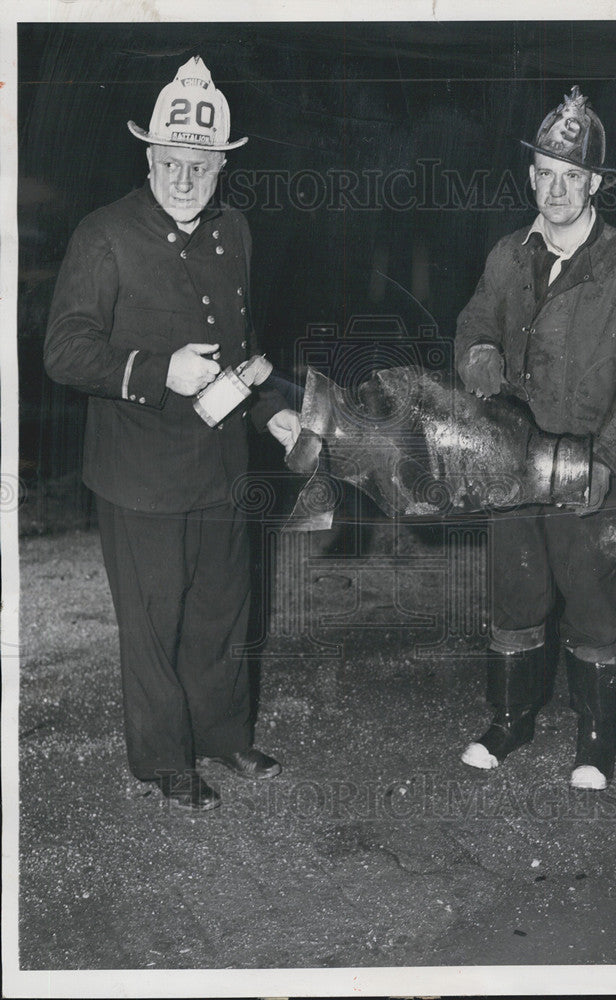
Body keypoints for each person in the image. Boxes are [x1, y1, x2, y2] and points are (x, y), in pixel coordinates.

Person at [44, 57, 301, 812]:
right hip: (139, 473)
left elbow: (241, 349)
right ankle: (164, 758)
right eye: (170, 161)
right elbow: (64, 351)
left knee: (224, 610)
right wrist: (159, 371)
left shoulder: (237, 232)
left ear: (220, 165)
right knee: (154, 624)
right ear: (149, 156)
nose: (184, 177)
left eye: (200, 163)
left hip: (220, 464)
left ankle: (223, 734)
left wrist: (270, 409)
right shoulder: (106, 236)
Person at [454, 86, 616, 790]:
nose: (556, 189)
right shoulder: (507, 256)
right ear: (530, 176)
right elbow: (473, 323)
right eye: (545, 173)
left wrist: (608, 459)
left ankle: (596, 736)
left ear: (597, 185)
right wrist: (478, 351)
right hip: (512, 462)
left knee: (595, 605)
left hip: (589, 466)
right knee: (516, 597)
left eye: (571, 176)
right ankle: (511, 720)